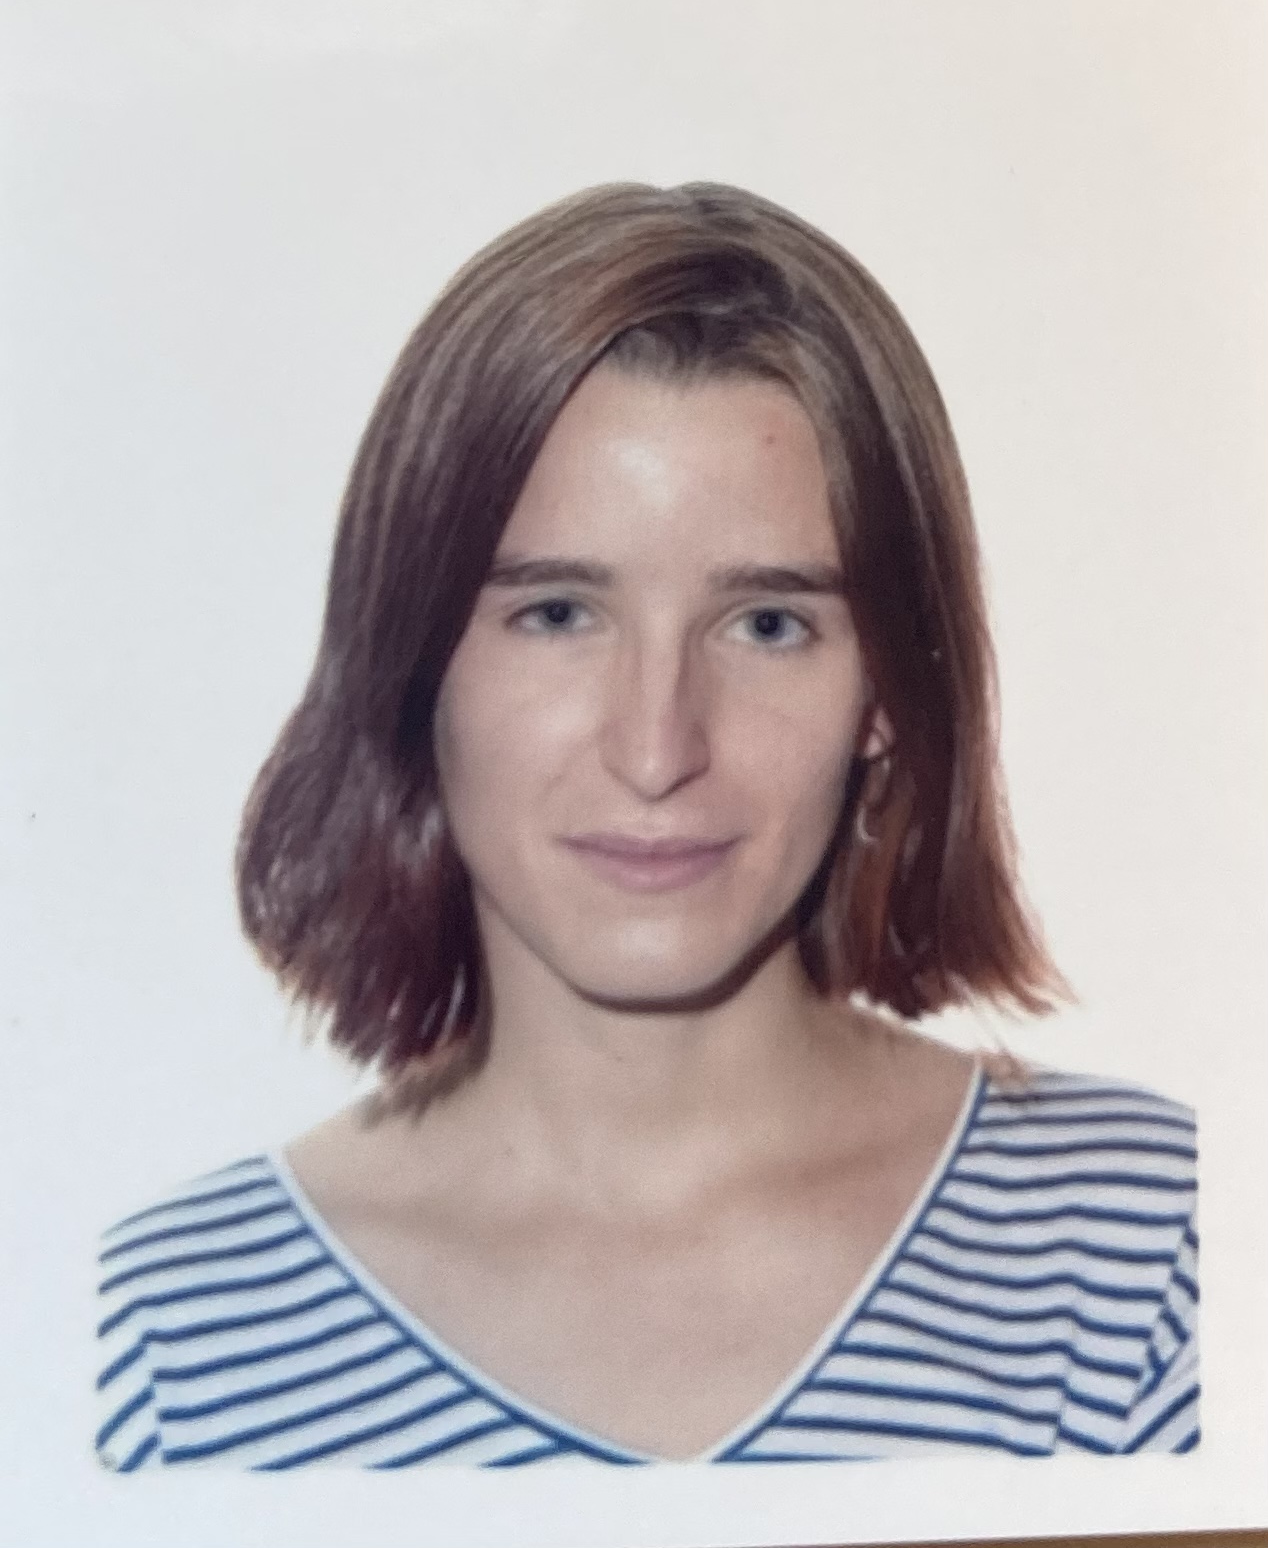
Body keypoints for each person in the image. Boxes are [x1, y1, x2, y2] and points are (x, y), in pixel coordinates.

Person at [94, 182, 1198, 1471]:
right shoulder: (162, 1351)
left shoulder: (1160, 1255)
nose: (659, 749)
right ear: (415, 661)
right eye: (558, 614)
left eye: (768, 625)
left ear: (888, 696)